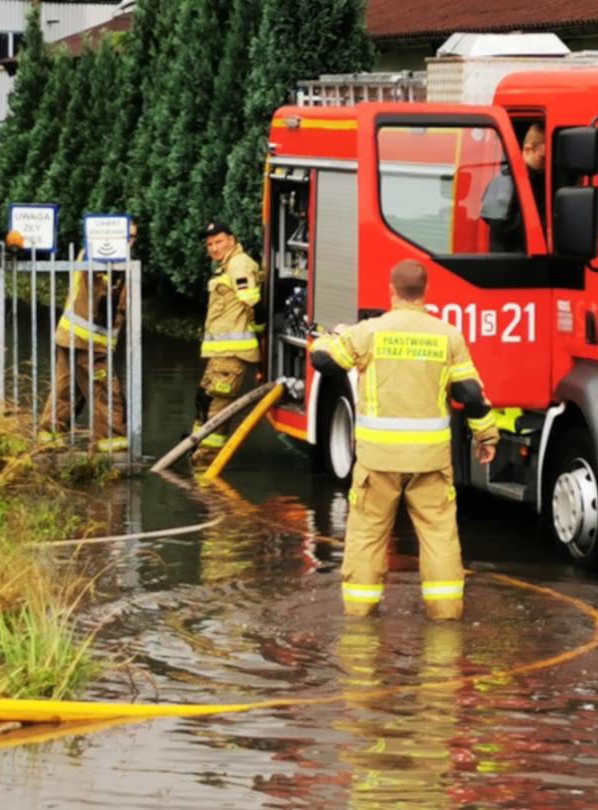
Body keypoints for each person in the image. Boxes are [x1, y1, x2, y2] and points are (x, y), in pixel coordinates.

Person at [310, 260, 500, 620]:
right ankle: (445, 618)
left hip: (377, 462)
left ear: (391, 290)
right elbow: (471, 395)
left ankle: (360, 621)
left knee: (367, 537)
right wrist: (486, 436)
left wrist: (332, 336)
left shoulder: (368, 333)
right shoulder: (448, 336)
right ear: (426, 291)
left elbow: (323, 360)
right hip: (429, 463)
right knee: (439, 537)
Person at [38, 224, 135, 452]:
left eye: (133, 237)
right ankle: (113, 447)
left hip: (70, 337)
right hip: (89, 343)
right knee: (106, 393)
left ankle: (48, 441)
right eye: (126, 236)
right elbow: (104, 302)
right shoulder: (101, 258)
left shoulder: (96, 255)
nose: (131, 241)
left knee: (68, 391)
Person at [195, 220, 263, 466]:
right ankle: (195, 450)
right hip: (221, 354)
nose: (214, 248)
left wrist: (260, 336)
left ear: (232, 241)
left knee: (217, 411)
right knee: (203, 401)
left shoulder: (239, 264)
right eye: (210, 244)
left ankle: (205, 466)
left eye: (219, 241)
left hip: (232, 355)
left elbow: (254, 304)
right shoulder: (226, 267)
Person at [481, 124, 547, 253]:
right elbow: (499, 225)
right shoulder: (507, 180)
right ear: (528, 150)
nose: (545, 166)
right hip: (508, 259)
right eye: (542, 158)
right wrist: (538, 223)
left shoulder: (533, 177)